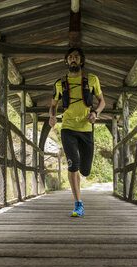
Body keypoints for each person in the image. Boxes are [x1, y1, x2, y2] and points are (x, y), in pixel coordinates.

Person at [48, 47, 106, 217]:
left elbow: (102, 101)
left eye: (76, 57)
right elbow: (53, 105)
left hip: (87, 129)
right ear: (66, 61)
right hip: (68, 128)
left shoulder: (92, 79)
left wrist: (96, 113)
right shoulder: (60, 83)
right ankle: (78, 204)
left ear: (81, 61)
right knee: (73, 163)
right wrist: (52, 116)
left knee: (85, 170)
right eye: (70, 57)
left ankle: (83, 172)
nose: (73, 60)